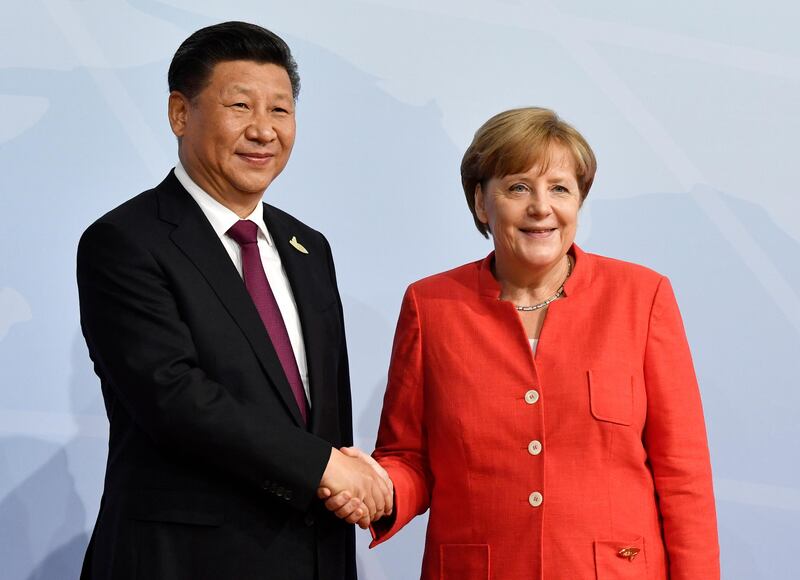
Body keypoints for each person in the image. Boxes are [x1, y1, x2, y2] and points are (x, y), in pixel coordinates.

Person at [323, 107, 720, 579]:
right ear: (480, 203)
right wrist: (377, 486)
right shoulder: (431, 305)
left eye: (559, 188)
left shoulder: (642, 297)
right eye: (517, 187)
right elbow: (410, 456)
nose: (541, 207)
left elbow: (683, 475)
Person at [77, 21, 390, 580]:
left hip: (310, 557)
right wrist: (324, 467)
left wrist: (344, 485)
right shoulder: (126, 241)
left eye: (280, 110)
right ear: (180, 113)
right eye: (240, 106)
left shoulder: (308, 248)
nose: (264, 131)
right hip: (182, 560)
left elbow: (324, 417)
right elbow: (173, 398)